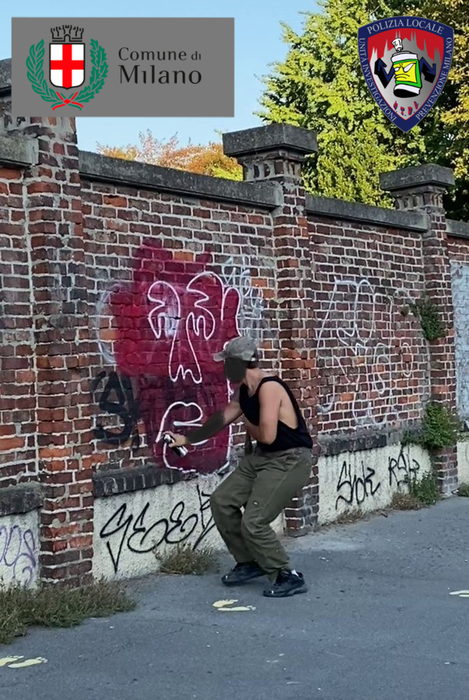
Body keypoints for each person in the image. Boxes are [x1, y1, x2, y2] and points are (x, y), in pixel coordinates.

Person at [166, 335, 313, 598]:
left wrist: (247, 425)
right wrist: (187, 438)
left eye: (227, 363)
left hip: (289, 459)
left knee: (254, 521)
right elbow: (222, 418)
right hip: (262, 458)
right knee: (222, 501)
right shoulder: (244, 391)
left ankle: (286, 575)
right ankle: (249, 562)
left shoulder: (270, 388)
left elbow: (267, 435)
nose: (224, 369)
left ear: (239, 364)